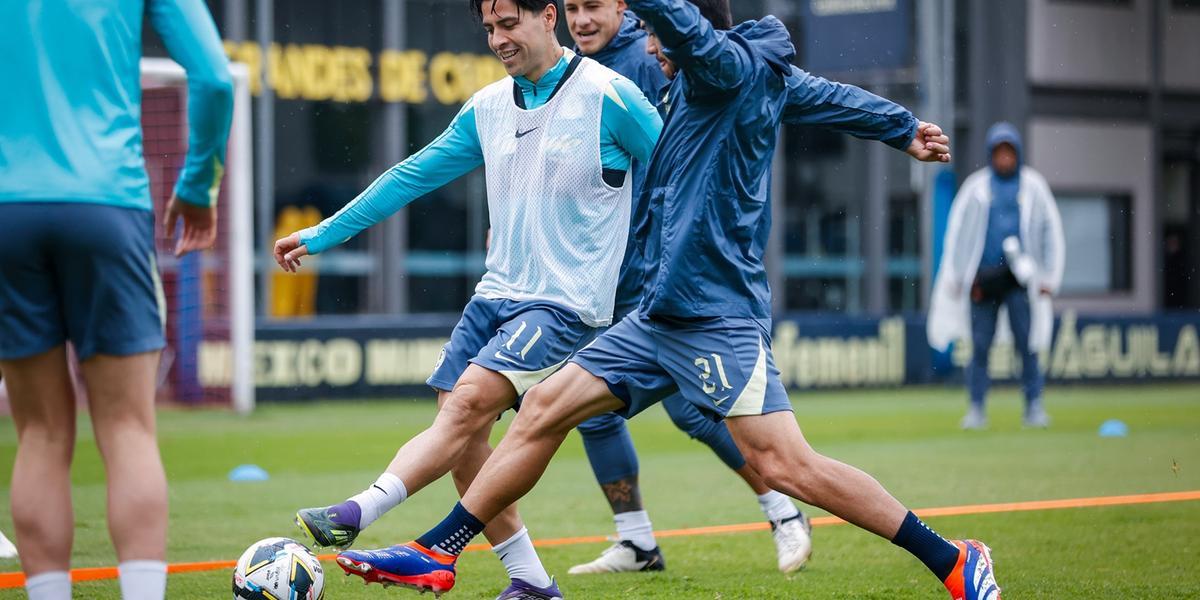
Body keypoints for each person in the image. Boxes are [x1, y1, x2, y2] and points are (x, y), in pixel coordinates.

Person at [334, 2, 1000, 600]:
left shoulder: (718, 67)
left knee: (784, 464)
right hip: (658, 314)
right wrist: (900, 125)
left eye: (654, 33)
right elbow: (826, 96)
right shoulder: (731, 79)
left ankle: (951, 559)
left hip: (717, 314)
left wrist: (899, 126)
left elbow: (687, 30)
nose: (649, 48)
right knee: (543, 409)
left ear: (688, 32)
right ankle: (436, 552)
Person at [275, 1, 663, 597]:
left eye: (508, 24)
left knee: (467, 407)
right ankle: (530, 580)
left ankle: (357, 513)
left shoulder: (609, 94)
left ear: (547, 16)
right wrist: (323, 234)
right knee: (461, 432)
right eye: (488, 28)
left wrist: (672, 267)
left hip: (565, 303)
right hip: (495, 294)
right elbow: (411, 174)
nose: (497, 39)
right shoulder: (486, 106)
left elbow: (678, 169)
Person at [563, 0, 812, 575]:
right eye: (571, 8)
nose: (581, 20)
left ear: (624, 7)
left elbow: (684, 164)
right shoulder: (575, 68)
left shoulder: (653, 61)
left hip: (659, 275)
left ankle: (782, 508)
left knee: (695, 410)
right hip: (604, 271)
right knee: (587, 411)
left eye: (593, 6)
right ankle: (637, 542)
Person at [0, 1, 233, 599]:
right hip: (106, 201)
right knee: (127, 428)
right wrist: (199, 184)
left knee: (41, 433)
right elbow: (211, 77)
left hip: (7, 210)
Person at [928, 122, 1064, 430]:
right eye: (999, 153)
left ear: (1017, 154)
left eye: (1009, 152)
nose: (1005, 159)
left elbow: (1049, 233)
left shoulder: (1034, 187)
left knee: (1027, 344)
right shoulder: (976, 188)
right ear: (991, 155)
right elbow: (958, 235)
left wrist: (1049, 277)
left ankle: (1034, 406)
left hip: (1019, 281)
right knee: (979, 346)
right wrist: (955, 274)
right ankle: (976, 409)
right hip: (983, 279)